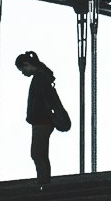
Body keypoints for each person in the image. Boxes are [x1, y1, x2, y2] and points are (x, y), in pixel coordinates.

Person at [16, 50, 71, 185]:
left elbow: (44, 99)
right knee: (40, 153)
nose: (23, 73)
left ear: (27, 64)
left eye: (22, 69)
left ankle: (43, 183)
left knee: (37, 153)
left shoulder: (40, 78)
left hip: (42, 121)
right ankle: (43, 182)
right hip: (44, 120)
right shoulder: (43, 76)